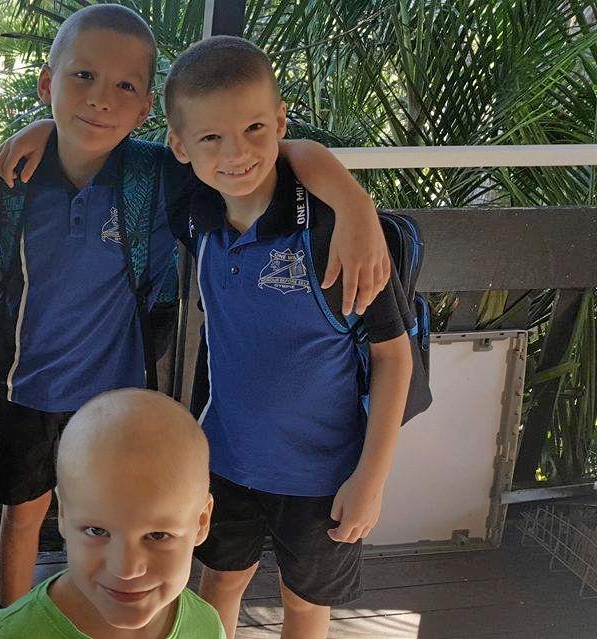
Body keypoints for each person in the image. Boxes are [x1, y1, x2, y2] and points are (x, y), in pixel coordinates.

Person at [0, 4, 390, 607]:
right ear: (48, 83)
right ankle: (15, 622)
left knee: (112, 522)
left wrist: (357, 208)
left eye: (124, 85)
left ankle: (96, 618)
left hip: (117, 397)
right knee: (23, 517)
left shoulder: (157, 176)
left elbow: (271, 148)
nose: (100, 99)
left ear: (147, 108)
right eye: (83, 77)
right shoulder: (5, 181)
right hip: (20, 390)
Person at [159, 36, 414, 639]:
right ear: (181, 146)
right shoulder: (195, 209)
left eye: (254, 129)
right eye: (212, 139)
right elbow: (99, 144)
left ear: (279, 121)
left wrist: (369, 482)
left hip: (325, 474)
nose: (236, 153)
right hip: (225, 458)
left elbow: (393, 358)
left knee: (304, 603)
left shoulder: (334, 232)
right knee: (218, 583)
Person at [0, 388, 223, 638]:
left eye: (158, 535)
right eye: (97, 531)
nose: (125, 569)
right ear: (63, 514)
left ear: (201, 522)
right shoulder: (12, 635)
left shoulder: (207, 627)